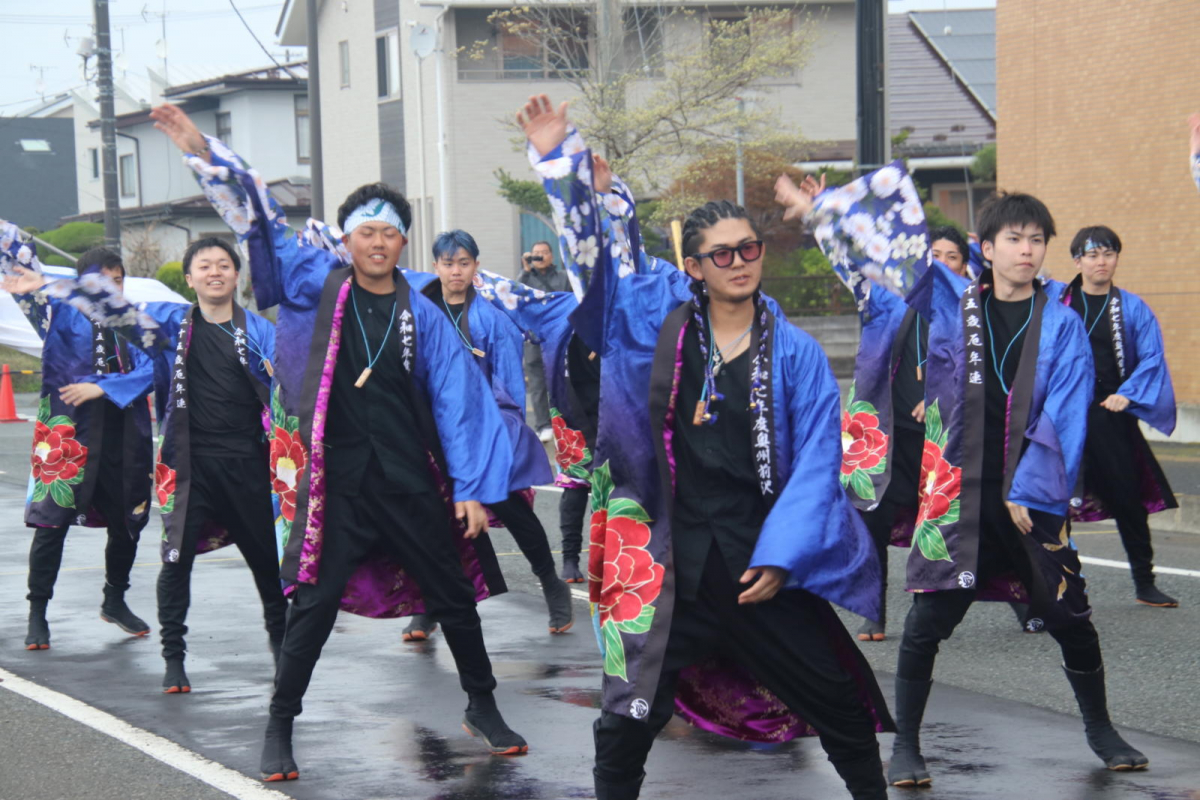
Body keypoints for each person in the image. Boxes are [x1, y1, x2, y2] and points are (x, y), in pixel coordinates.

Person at [521, 94, 892, 800]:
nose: (739, 262)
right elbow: (595, 275)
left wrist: (783, 555)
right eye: (721, 253)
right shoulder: (648, 329)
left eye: (749, 248)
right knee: (628, 716)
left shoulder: (797, 352)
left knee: (838, 700)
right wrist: (561, 171)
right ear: (693, 266)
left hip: (758, 560)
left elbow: (819, 459)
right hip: (669, 562)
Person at [151, 102, 526, 782]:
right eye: (365, 233)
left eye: (389, 233)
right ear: (347, 241)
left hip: (409, 478)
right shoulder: (310, 284)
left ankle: (483, 705)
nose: (377, 243)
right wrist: (204, 152)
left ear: (403, 244)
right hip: (337, 484)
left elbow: (460, 401)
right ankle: (279, 724)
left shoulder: (424, 311)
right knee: (313, 608)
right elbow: (257, 217)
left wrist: (471, 487)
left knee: (452, 595)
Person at [805, 179, 1148, 785]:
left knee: (1071, 616)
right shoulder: (951, 302)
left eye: (1037, 240)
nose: (1027, 250)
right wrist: (824, 211)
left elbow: (1065, 410)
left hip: (1028, 496)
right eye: (1014, 239)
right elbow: (890, 256)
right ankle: (906, 744)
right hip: (953, 491)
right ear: (985, 248)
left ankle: (1100, 728)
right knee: (928, 622)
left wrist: (1030, 488)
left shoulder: (1061, 324)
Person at [44, 237, 289, 691]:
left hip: (249, 469)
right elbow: (118, 314)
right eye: (204, 266)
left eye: (224, 265)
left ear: (237, 276)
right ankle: (174, 659)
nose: (215, 272)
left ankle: (285, 661)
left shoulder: (260, 332)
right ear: (191, 277)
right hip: (188, 468)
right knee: (176, 565)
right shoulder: (173, 324)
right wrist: (43, 285)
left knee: (269, 570)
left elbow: (292, 390)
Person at [399, 229, 573, 638]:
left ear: (475, 266)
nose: (455, 270)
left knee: (510, 506)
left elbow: (509, 385)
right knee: (431, 518)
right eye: (447, 263)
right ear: (436, 266)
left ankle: (551, 584)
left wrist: (500, 436)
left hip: (485, 426)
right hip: (431, 429)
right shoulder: (419, 312)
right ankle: (429, 605)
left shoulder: (493, 318)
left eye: (463, 262)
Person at [2, 235, 155, 651]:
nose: (111, 289)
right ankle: (38, 610)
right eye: (101, 281)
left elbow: (154, 369)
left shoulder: (138, 322)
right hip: (69, 434)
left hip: (126, 436)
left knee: (129, 521)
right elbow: (20, 267)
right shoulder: (55, 311)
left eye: (118, 281)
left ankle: (115, 599)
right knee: (52, 522)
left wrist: (104, 388)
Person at [836, 223, 971, 642]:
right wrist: (831, 219)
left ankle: (1023, 600)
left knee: (947, 524)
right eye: (935, 255)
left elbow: (980, 370)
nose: (942, 263)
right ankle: (872, 610)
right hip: (889, 435)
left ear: (965, 266)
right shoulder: (890, 299)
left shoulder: (970, 308)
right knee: (871, 520)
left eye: (952, 256)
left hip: (943, 438)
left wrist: (940, 394)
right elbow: (852, 267)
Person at [1043, 226, 1178, 607]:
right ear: (1077, 261)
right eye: (1092, 255)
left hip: (1109, 413)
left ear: (1117, 258)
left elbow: (1152, 358)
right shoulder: (1055, 300)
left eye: (1108, 254)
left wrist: (1128, 395)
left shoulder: (1132, 307)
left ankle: (1144, 581)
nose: (1101, 262)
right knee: (1050, 500)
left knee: (1129, 498)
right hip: (1060, 416)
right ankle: (1055, 586)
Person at [518, 240, 569, 440]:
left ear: (551, 256)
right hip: (534, 337)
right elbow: (517, 296)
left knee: (561, 379)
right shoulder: (525, 278)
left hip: (559, 335)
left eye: (543, 253)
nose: (539, 256)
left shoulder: (563, 277)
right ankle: (543, 425)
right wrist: (525, 270)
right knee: (537, 382)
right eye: (535, 253)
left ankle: (564, 422)